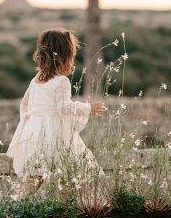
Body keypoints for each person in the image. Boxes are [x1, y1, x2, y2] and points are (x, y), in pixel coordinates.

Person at [7, 27, 106, 181]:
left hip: (33, 134)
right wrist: (88, 108)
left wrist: (31, 123)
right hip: (54, 134)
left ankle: (21, 203)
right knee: (67, 173)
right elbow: (64, 107)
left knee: (36, 176)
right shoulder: (62, 81)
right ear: (65, 56)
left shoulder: (36, 80)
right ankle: (65, 204)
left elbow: (25, 105)